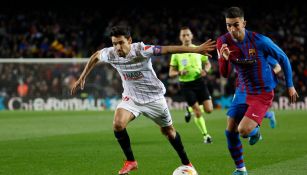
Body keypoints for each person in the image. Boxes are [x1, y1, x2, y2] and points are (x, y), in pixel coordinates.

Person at [71, 26, 216, 175]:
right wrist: (82, 77)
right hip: (131, 98)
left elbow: (167, 49)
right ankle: (131, 161)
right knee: (118, 124)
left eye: (121, 43)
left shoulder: (141, 49)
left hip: (154, 98)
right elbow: (95, 55)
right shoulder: (111, 53)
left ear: (129, 40)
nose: (117, 47)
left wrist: (196, 49)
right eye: (114, 43)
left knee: (168, 132)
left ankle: (187, 163)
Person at [217, 7, 298, 175]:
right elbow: (224, 73)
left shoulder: (260, 41)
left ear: (244, 23)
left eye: (236, 25)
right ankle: (241, 170)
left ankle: (256, 131)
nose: (232, 29)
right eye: (228, 25)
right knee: (230, 130)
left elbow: (283, 58)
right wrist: (223, 59)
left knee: (243, 130)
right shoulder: (223, 42)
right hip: (242, 89)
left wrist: (290, 85)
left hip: (262, 92)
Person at [169, 26, 213, 144]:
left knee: (209, 110)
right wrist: (179, 72)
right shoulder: (176, 53)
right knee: (198, 112)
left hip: (199, 82)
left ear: (192, 36)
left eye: (188, 34)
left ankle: (189, 109)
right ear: (180, 37)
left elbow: (208, 64)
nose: (186, 37)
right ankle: (206, 135)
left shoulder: (199, 49)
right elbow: (171, 72)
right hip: (186, 85)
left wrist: (206, 70)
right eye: (183, 35)